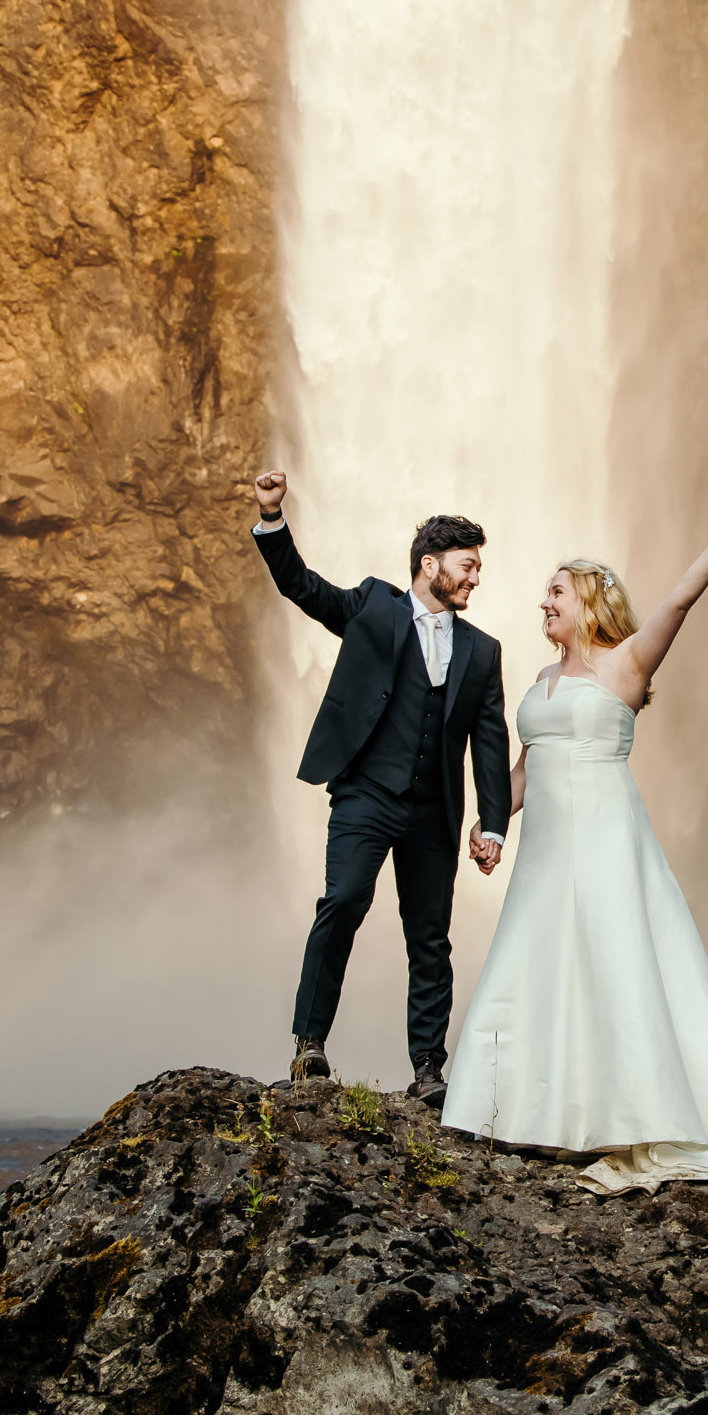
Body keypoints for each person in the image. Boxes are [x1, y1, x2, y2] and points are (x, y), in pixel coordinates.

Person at [439, 489, 708, 1194]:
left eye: (556, 591)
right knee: (536, 958)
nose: (544, 603)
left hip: (605, 839)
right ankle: (530, 1113)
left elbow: (678, 604)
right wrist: (495, 823)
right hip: (546, 850)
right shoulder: (539, 680)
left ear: (589, 600)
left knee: (613, 960)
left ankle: (636, 1114)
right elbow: (527, 763)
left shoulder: (625, 664)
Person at [249, 469, 511, 1107]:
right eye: (467, 565)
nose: (477, 577)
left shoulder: (482, 650)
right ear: (430, 565)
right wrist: (273, 517)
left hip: (434, 812)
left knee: (430, 937)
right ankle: (309, 1045)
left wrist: (493, 822)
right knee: (342, 901)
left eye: (479, 567)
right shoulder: (373, 606)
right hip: (366, 793)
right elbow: (302, 588)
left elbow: (491, 740)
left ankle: (428, 1070)